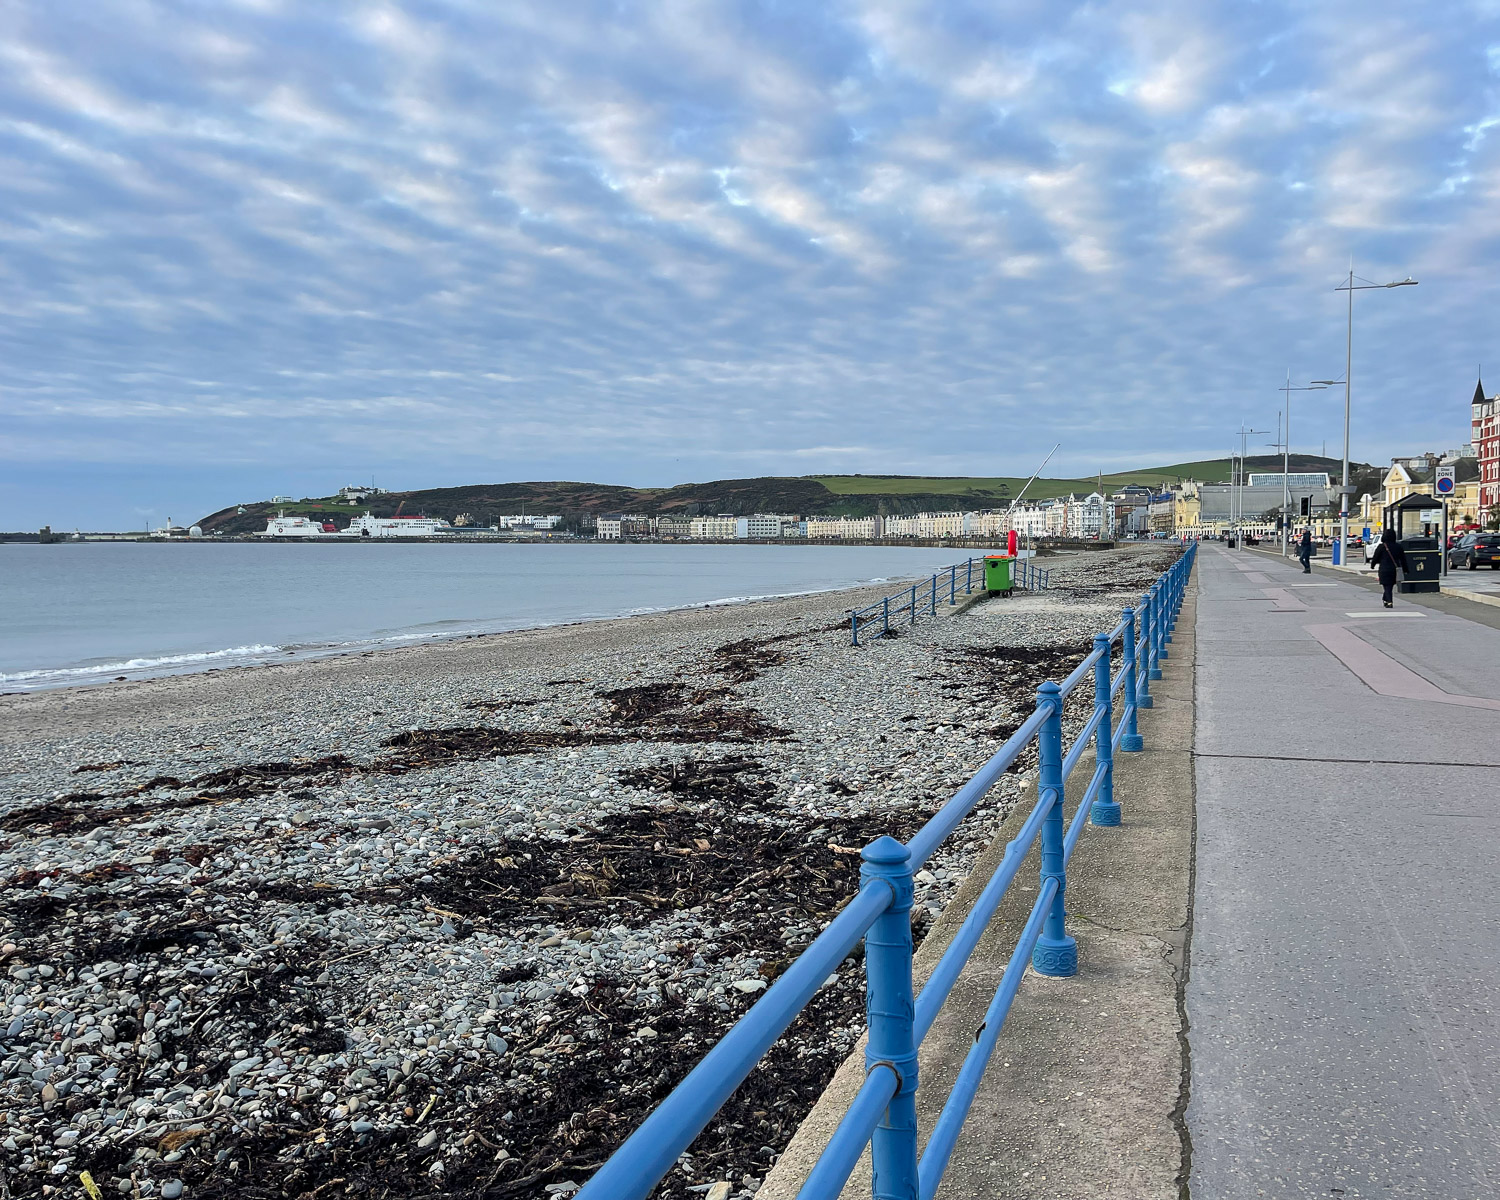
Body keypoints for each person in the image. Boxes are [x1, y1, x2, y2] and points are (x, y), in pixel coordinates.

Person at [1368, 528, 1406, 608]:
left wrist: (1372, 565)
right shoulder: (1398, 546)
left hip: (1384, 568)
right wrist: (1405, 569)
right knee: (1390, 586)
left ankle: (1389, 601)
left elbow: (1375, 557)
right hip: (1394, 569)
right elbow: (1403, 559)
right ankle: (1386, 599)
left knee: (1386, 585)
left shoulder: (1381, 546)